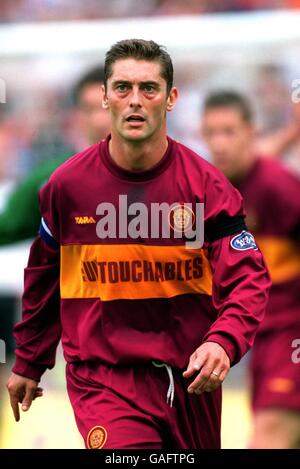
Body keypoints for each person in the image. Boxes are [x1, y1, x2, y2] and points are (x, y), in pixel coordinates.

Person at [7, 39, 270, 450]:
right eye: (123, 88)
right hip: (103, 378)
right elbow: (44, 279)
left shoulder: (207, 188)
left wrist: (222, 340)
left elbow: (248, 279)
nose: (135, 100)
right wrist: (29, 360)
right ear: (105, 97)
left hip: (191, 380)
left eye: (148, 88)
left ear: (171, 98)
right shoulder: (66, 187)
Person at [201, 90, 300, 449]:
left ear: (250, 133)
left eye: (229, 131)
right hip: (260, 339)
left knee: (269, 437)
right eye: (211, 133)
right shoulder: (213, 191)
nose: (220, 143)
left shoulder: (277, 186)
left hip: (291, 335)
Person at [0, 66, 110, 245]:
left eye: (110, 108)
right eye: (90, 109)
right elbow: (7, 228)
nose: (101, 120)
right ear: (75, 116)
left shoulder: (162, 174)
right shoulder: (50, 179)